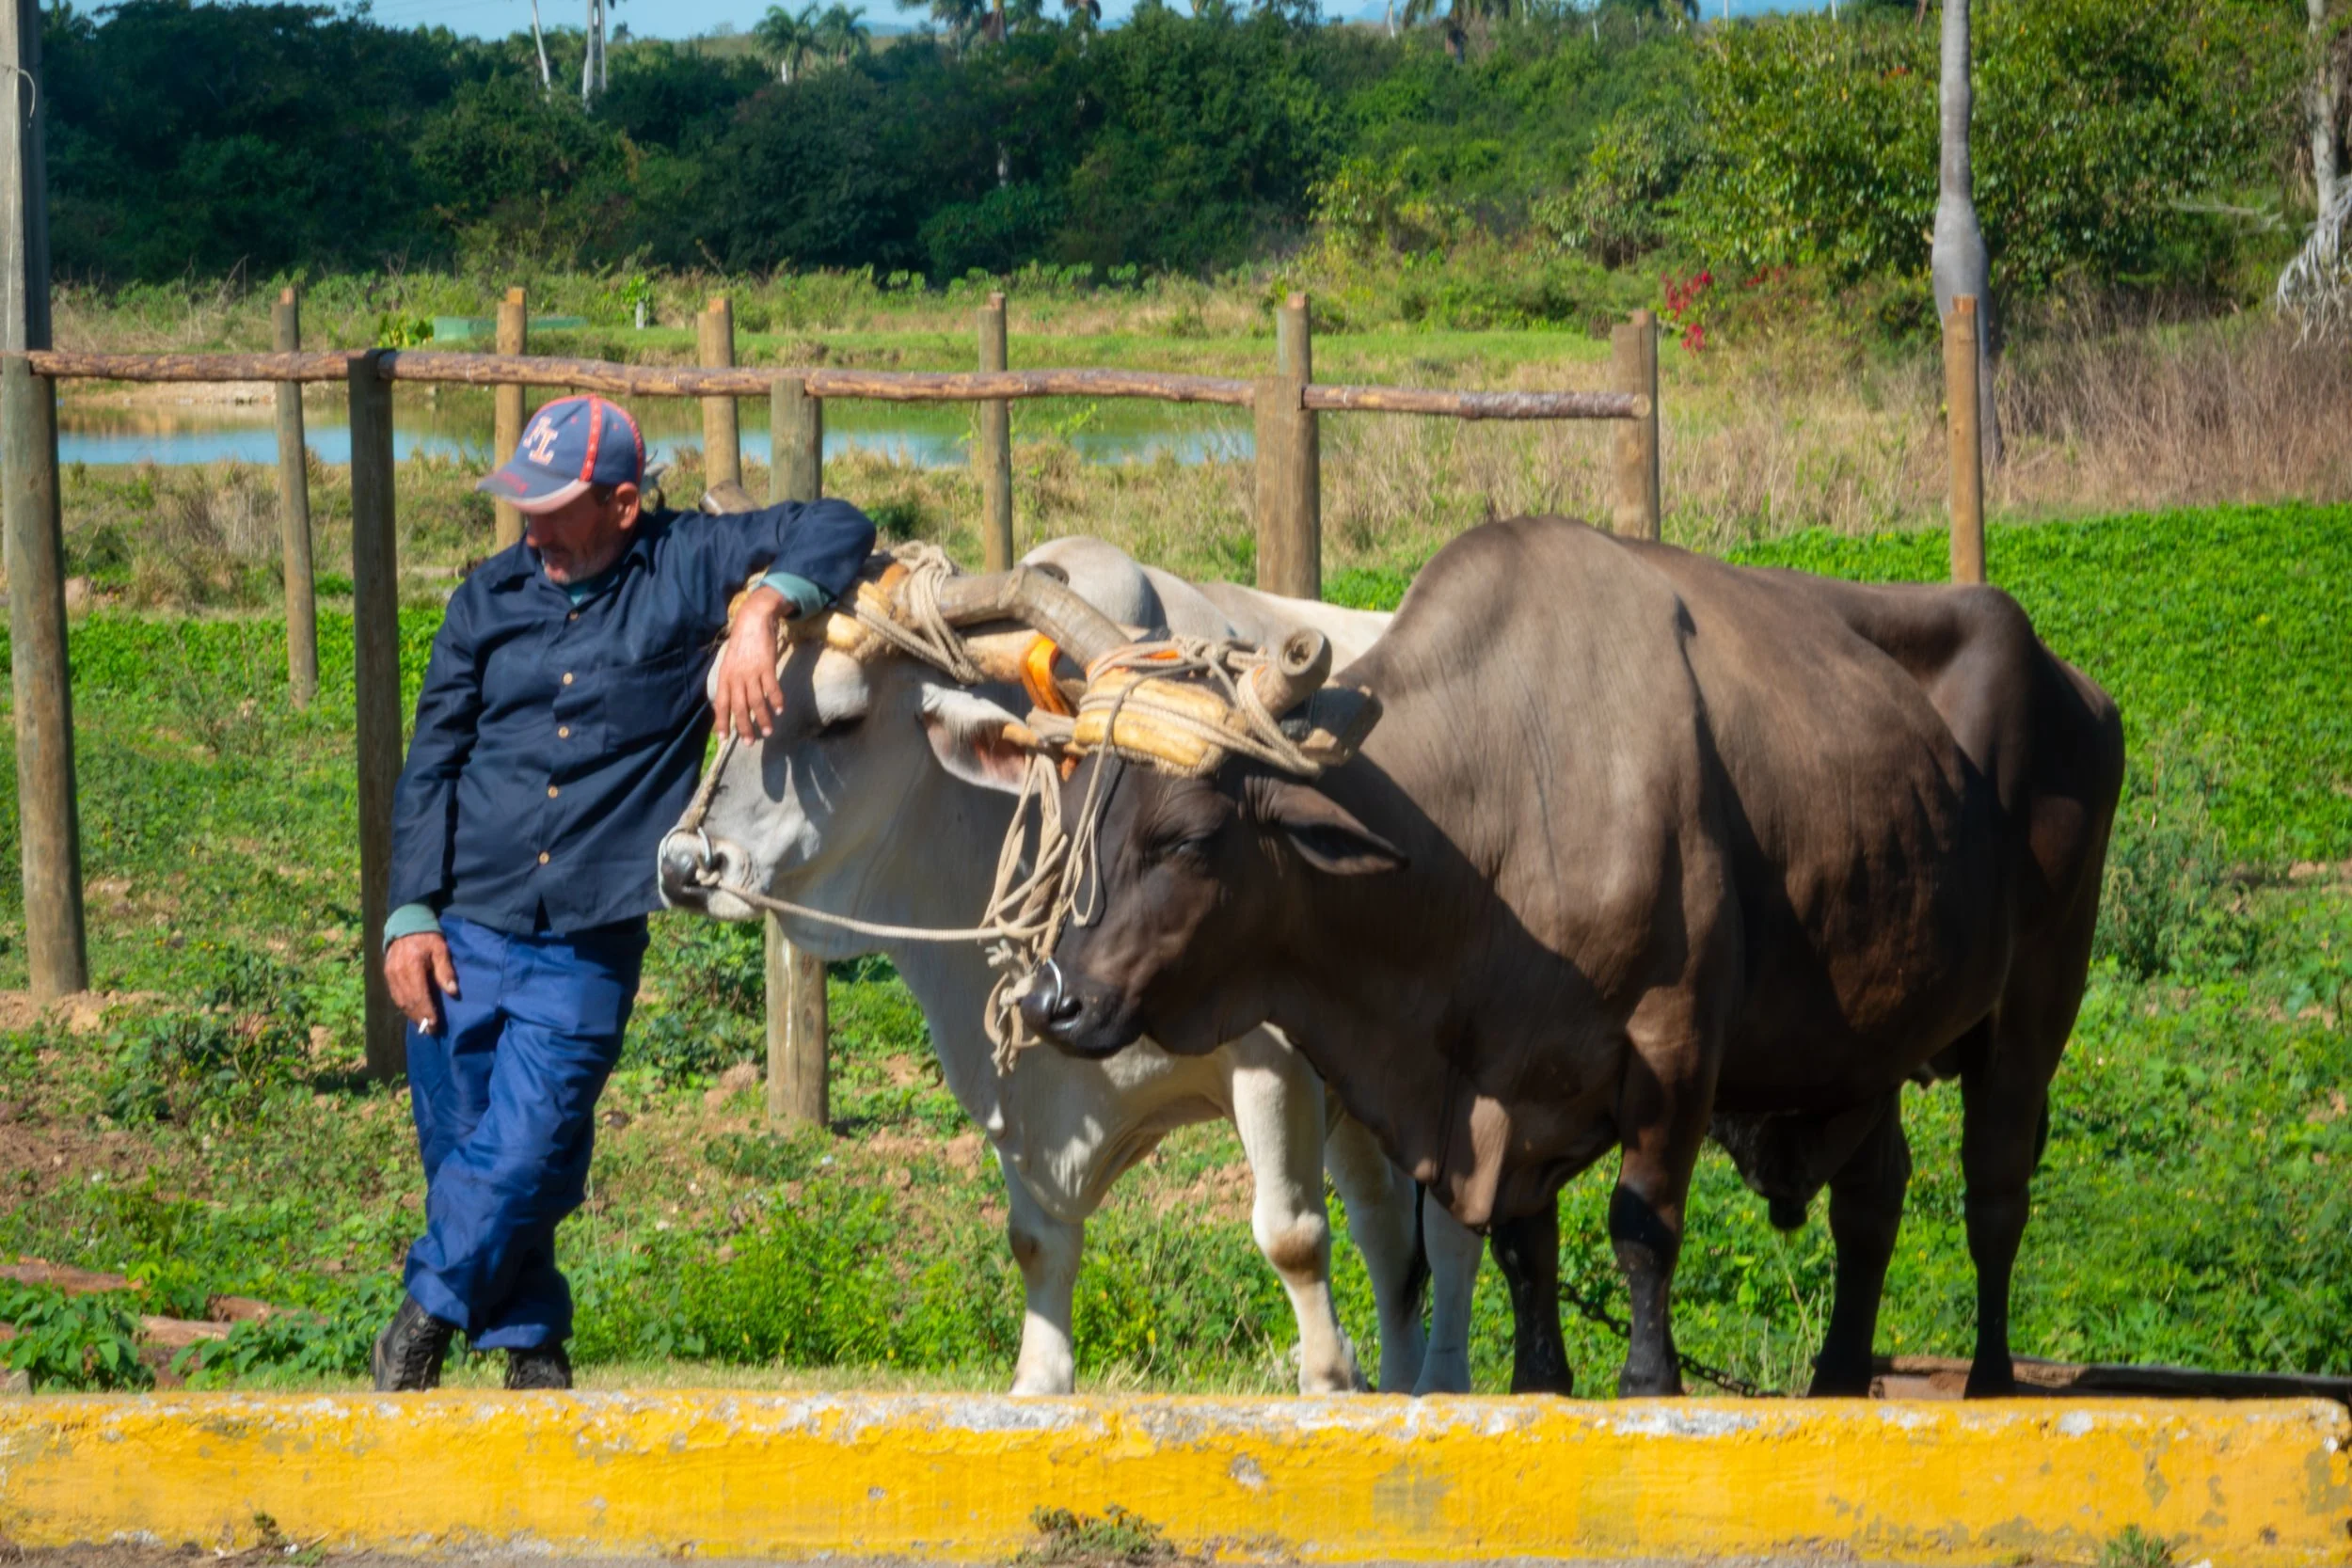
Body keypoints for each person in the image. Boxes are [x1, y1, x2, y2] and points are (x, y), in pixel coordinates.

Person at [371, 394, 875, 1391]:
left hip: (587, 933)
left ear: (622, 505)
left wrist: (764, 608)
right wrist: (407, 915)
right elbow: (431, 761)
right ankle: (531, 1351)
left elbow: (839, 524)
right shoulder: (485, 597)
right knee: (475, 1152)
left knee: (527, 1147)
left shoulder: (687, 563)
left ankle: (420, 1316)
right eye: (523, 500)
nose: (532, 524)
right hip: (461, 920)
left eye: (554, 505)